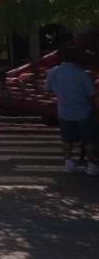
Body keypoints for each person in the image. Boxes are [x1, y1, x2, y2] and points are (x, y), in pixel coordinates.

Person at [43, 46, 98, 175]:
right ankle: (91, 165)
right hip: (83, 110)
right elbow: (91, 95)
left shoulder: (53, 72)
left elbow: (47, 88)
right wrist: (93, 109)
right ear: (77, 58)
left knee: (66, 138)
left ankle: (69, 163)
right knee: (89, 139)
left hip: (64, 109)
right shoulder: (82, 74)